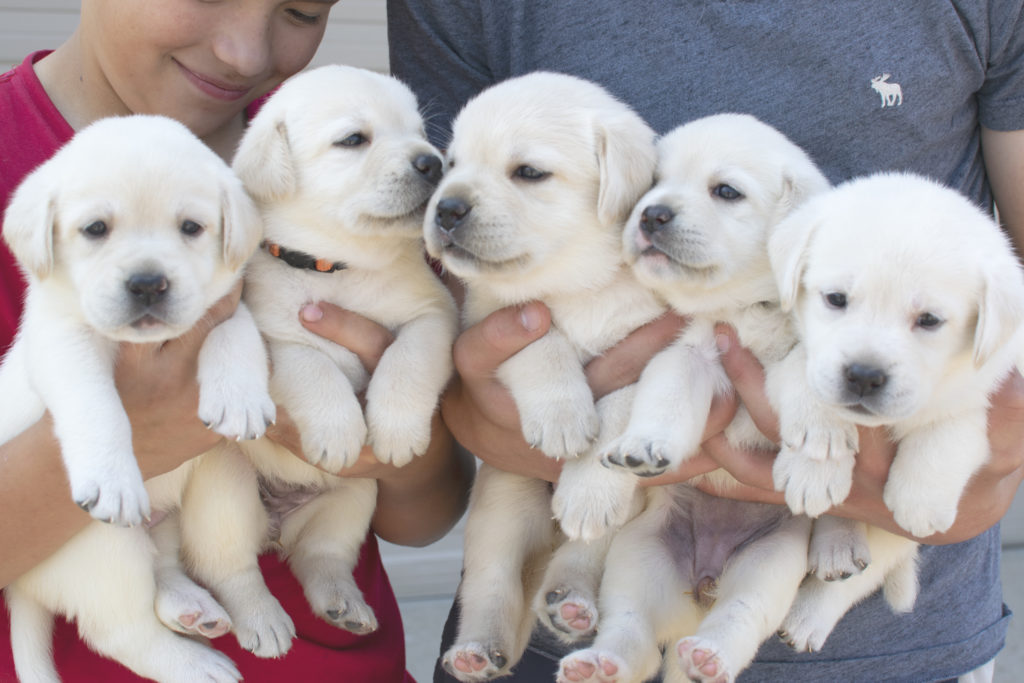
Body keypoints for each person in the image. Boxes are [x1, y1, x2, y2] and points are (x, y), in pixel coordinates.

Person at [385, 1, 1024, 681]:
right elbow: (449, 308)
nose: (657, 208)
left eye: (724, 191)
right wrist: (493, 401)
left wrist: (987, 459)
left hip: (900, 640)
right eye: (654, 185)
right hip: (567, 622)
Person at [0, 1, 475, 681]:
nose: (246, 54)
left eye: (301, 10)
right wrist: (143, 427)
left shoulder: (332, 151)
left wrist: (392, 441)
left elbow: (425, 512)